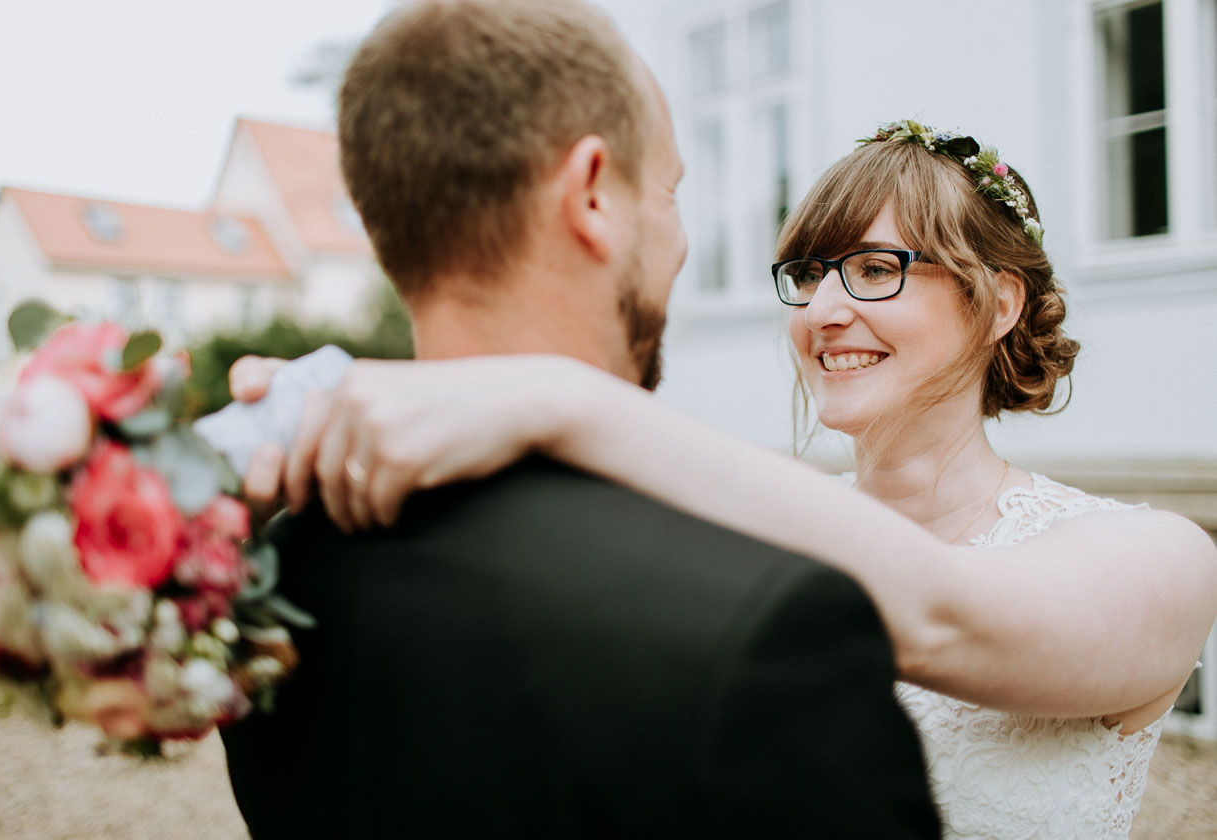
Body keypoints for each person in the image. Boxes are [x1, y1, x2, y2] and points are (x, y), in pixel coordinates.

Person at [235, 116, 1217, 838]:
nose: (825, 309)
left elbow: (943, 614)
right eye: (810, 272)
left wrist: (561, 400)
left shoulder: (1158, 558)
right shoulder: (742, 527)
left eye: (875, 268)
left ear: (998, 301)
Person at [219, 1, 941, 837]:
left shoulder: (266, 580)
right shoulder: (763, 624)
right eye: (668, 192)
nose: (678, 243)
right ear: (592, 193)